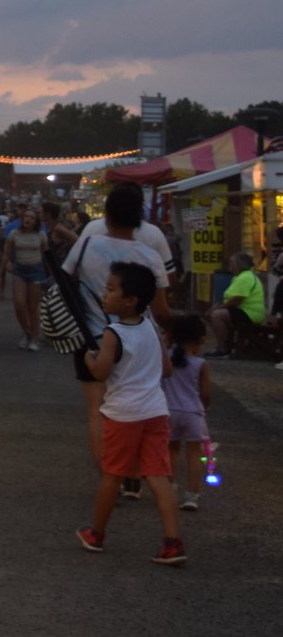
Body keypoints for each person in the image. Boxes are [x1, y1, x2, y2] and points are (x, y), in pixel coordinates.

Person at [75, 263, 184, 565]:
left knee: (112, 475)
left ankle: (96, 533)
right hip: (155, 411)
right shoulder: (151, 326)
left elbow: (100, 373)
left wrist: (89, 357)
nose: (104, 294)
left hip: (123, 414)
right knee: (158, 476)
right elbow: (166, 369)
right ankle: (173, 542)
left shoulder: (113, 333)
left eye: (111, 289)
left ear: (130, 300)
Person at [62, 181, 170, 468]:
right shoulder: (150, 256)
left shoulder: (85, 244)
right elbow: (161, 311)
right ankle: (132, 474)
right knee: (137, 409)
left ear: (106, 215)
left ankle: (109, 476)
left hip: (92, 338)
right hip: (140, 342)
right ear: (139, 219)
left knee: (97, 411)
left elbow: (64, 284)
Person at [161, 314, 211, 512]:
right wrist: (206, 406)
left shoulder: (166, 357)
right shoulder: (200, 364)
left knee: (171, 450)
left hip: (168, 411)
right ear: (200, 340)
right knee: (194, 455)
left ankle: (169, 488)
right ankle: (191, 495)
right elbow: (205, 393)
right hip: (192, 413)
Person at [2, 205, 50, 350]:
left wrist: (50, 273)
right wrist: (5, 266)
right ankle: (27, 332)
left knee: (32, 307)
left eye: (32, 218)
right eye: (26, 217)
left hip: (36, 270)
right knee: (19, 303)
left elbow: (47, 254)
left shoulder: (41, 235)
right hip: (20, 270)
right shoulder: (14, 234)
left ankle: (34, 338)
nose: (28, 219)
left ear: (36, 221)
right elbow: (6, 253)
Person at [205, 251, 266, 358]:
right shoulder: (238, 277)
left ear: (240, 264)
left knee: (217, 315)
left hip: (250, 313)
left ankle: (222, 349)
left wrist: (218, 308)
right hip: (242, 310)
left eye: (232, 262)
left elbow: (236, 299)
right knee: (213, 313)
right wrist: (216, 306)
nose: (230, 265)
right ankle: (226, 344)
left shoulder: (246, 277)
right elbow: (229, 297)